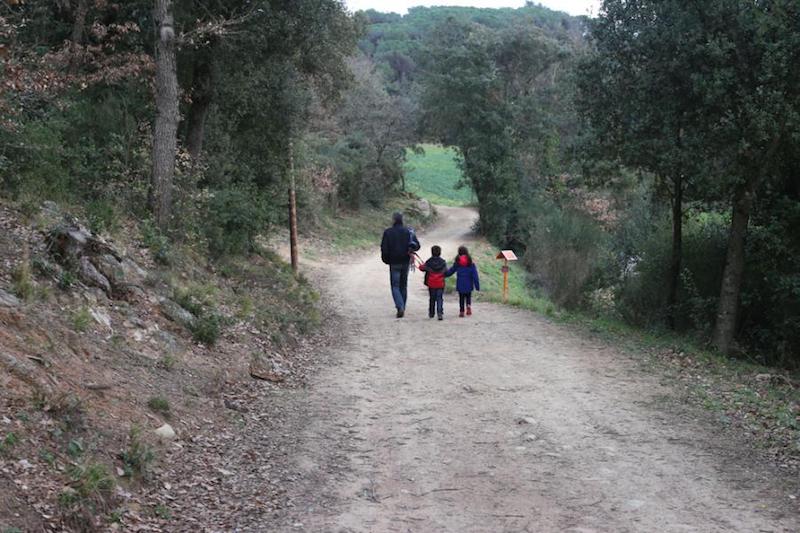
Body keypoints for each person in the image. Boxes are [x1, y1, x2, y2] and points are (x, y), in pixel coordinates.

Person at [381, 212, 420, 318]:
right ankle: (402, 306)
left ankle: (400, 306)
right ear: (402, 220)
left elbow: (384, 248)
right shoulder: (408, 231)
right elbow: (417, 246)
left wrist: (386, 260)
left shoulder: (388, 232)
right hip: (405, 261)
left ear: (393, 220)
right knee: (403, 285)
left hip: (394, 262)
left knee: (395, 285)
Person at [446, 245, 480, 317]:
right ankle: (468, 307)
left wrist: (443, 274)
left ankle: (461, 311)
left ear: (459, 253)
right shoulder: (471, 263)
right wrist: (477, 286)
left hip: (460, 284)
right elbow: (475, 276)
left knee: (461, 298)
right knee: (468, 296)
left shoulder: (457, 263)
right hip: (469, 284)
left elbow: (451, 271)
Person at [418, 245, 447, 320]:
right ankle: (440, 313)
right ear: (440, 252)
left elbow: (422, 268)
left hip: (431, 283)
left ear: (432, 252)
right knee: (439, 298)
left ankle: (431, 313)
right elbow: (446, 271)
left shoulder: (429, 261)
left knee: (432, 298)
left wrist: (421, 266)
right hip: (440, 283)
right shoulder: (443, 262)